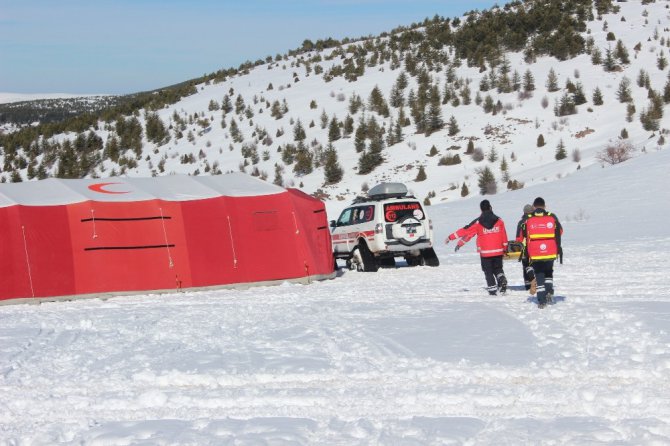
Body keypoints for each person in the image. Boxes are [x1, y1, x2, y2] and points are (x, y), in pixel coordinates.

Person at [446, 199, 509, 295]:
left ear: (481, 209)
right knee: (498, 268)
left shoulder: (478, 222)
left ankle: (492, 291)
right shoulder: (499, 220)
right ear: (490, 207)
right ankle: (501, 279)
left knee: (488, 271)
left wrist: (451, 238)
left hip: (485, 252)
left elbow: (466, 231)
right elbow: (504, 235)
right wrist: (505, 248)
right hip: (498, 250)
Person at [519, 197, 563, 309]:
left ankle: (542, 300)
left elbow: (522, 235)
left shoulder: (528, 218)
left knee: (539, 275)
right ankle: (549, 291)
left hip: (535, 252)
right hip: (550, 250)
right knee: (548, 272)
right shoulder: (551, 216)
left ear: (534, 206)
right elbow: (560, 231)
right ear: (545, 206)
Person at [515, 204, 535, 292]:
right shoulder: (536, 220)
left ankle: (528, 284)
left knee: (526, 265)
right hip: (536, 246)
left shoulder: (522, 222)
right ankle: (538, 281)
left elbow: (518, 238)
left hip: (525, 247)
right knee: (536, 265)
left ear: (524, 212)